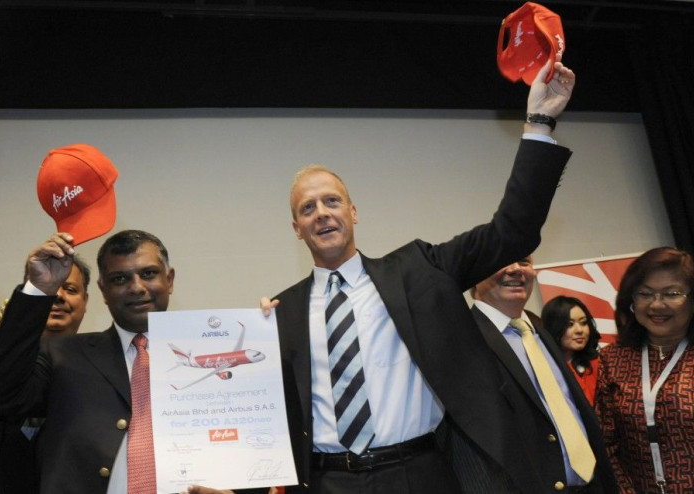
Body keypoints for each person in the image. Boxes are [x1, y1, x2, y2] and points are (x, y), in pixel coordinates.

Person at [250, 58, 619, 494]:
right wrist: (251, 338)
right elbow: (261, 409)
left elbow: (511, 230)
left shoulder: (419, 270)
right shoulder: (282, 311)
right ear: (296, 229)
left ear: (353, 212)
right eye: (307, 208)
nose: (321, 213)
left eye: (332, 201)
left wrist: (540, 122)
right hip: (328, 481)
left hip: (420, 474)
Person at [0, 230, 175, 493]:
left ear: (169, 279)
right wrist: (38, 290)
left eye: (148, 273)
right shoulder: (63, 356)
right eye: (120, 278)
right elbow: (6, 394)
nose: (137, 287)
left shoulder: (212, 353)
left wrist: (260, 330)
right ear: (103, 290)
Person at [446, 257, 613, 493]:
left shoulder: (542, 337)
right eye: (501, 260)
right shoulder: (461, 341)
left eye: (524, 261)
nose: (515, 269)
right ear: (474, 275)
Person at [595, 246, 694, 493]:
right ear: (631, 301)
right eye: (645, 294)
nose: (657, 305)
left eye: (672, 293)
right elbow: (606, 445)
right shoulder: (613, 359)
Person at [0, 256, 91, 494]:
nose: (59, 295)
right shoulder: (5, 366)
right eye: (49, 286)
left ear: (86, 301)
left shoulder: (100, 367)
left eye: (70, 289)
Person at [542, 295, 601, 405]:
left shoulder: (600, 363)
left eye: (583, 323)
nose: (579, 330)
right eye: (570, 324)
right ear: (554, 327)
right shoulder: (545, 369)